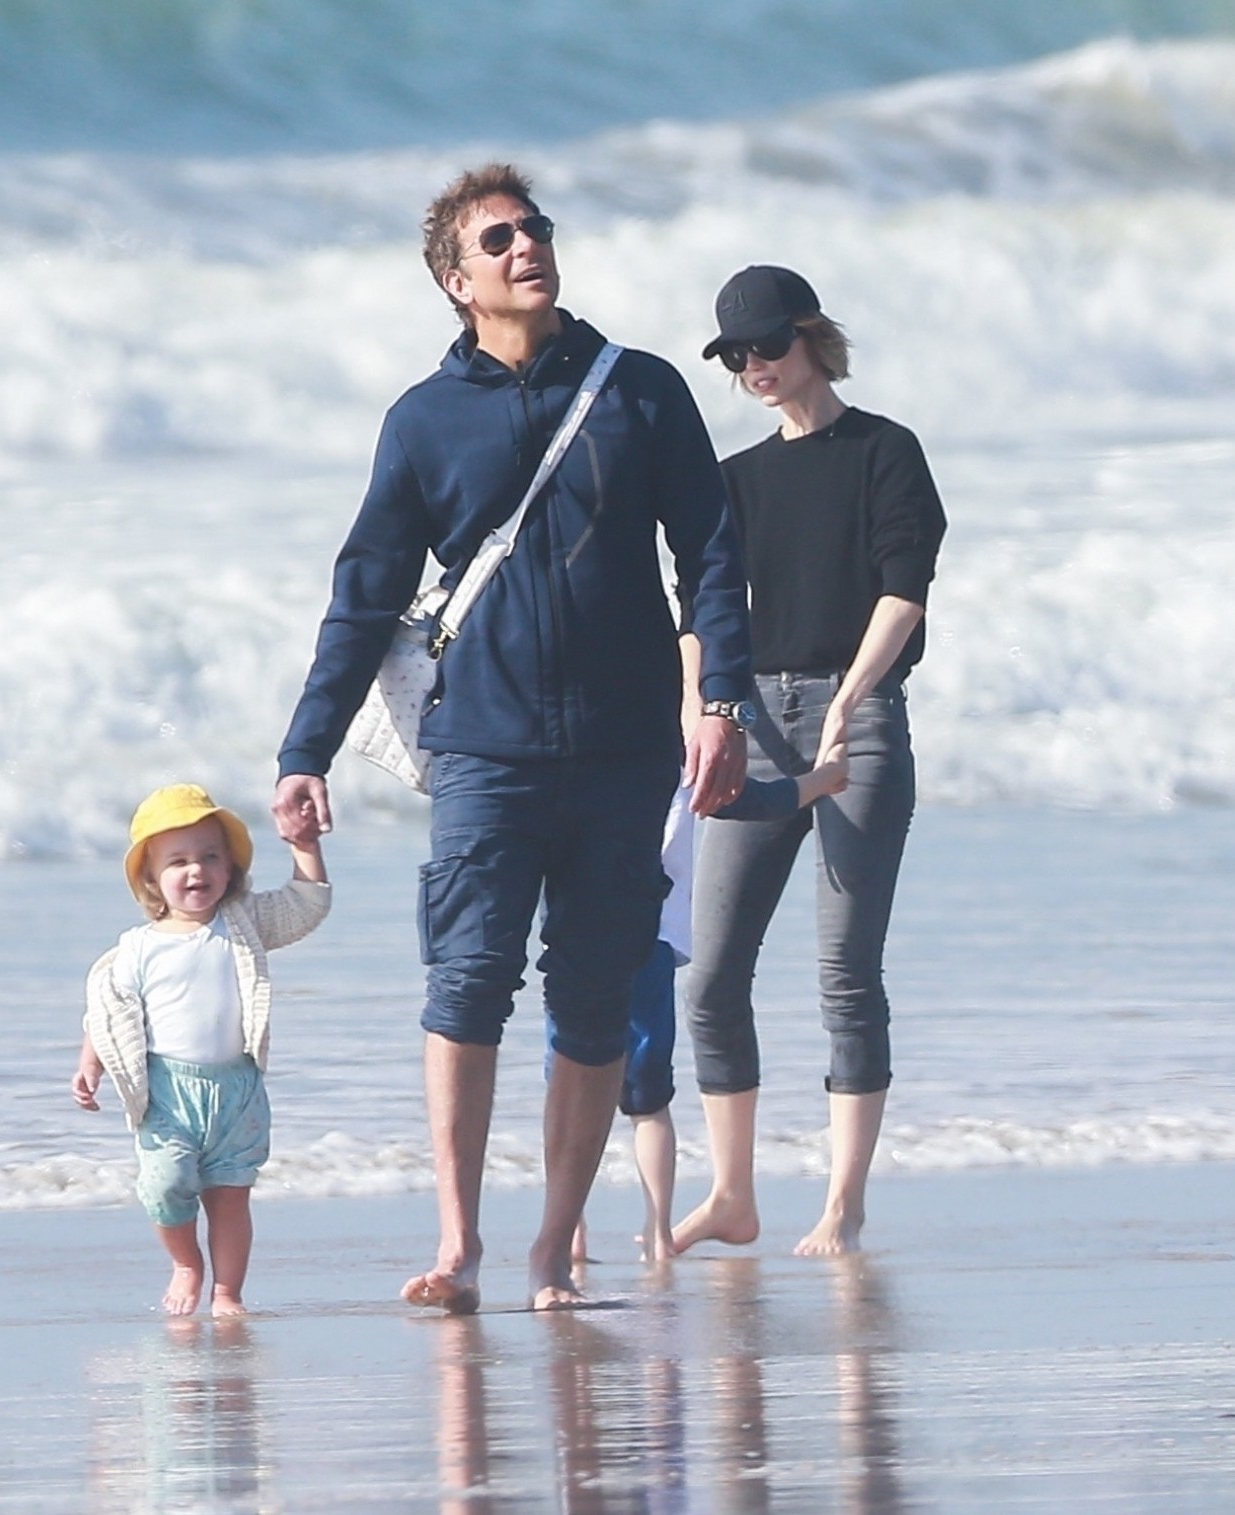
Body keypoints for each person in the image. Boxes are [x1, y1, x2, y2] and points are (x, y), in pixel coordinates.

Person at [272, 163, 754, 1312]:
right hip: (483, 751)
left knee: (592, 998)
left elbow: (711, 553)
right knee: (465, 981)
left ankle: (550, 1249)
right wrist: (304, 751)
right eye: (496, 239)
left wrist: (721, 703)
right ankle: (457, 1244)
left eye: (533, 228)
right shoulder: (423, 421)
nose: (524, 246)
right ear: (456, 280)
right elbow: (364, 592)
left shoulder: (636, 389)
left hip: (627, 748)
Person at [672, 266, 947, 1258]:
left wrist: (849, 697)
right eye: (734, 355)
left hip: (856, 718)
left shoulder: (884, 451)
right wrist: (699, 711)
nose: (752, 366)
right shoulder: (734, 479)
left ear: (809, 337)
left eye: (766, 346)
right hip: (751, 720)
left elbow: (903, 587)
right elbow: (701, 609)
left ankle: (842, 1205)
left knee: (844, 973)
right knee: (708, 976)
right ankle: (731, 1195)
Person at [564, 633, 847, 1265]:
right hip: (647, 948)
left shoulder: (577, 764)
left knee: (572, 1084)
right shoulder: (677, 762)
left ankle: (571, 1231)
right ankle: (658, 1232)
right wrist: (824, 779)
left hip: (577, 945)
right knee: (647, 1101)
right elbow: (759, 801)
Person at [74, 783, 330, 1316]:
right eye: (178, 861)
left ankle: (228, 1292)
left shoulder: (243, 922)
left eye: (211, 857)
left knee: (231, 1196)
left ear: (230, 867)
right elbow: (107, 1011)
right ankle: (186, 1263)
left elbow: (305, 906)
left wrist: (305, 846)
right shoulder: (137, 948)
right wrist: (90, 1064)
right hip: (167, 1094)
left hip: (237, 1091)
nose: (197, 870)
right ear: (150, 878)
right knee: (165, 1185)